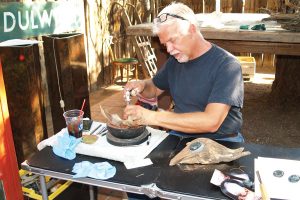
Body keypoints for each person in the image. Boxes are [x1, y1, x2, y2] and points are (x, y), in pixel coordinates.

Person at [123, 2, 244, 143]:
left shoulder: (227, 65)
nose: (169, 49)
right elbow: (155, 88)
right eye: (165, 44)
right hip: (180, 136)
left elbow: (211, 122)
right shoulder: (176, 60)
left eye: (173, 40)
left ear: (191, 29)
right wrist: (142, 85)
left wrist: (152, 117)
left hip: (220, 141)